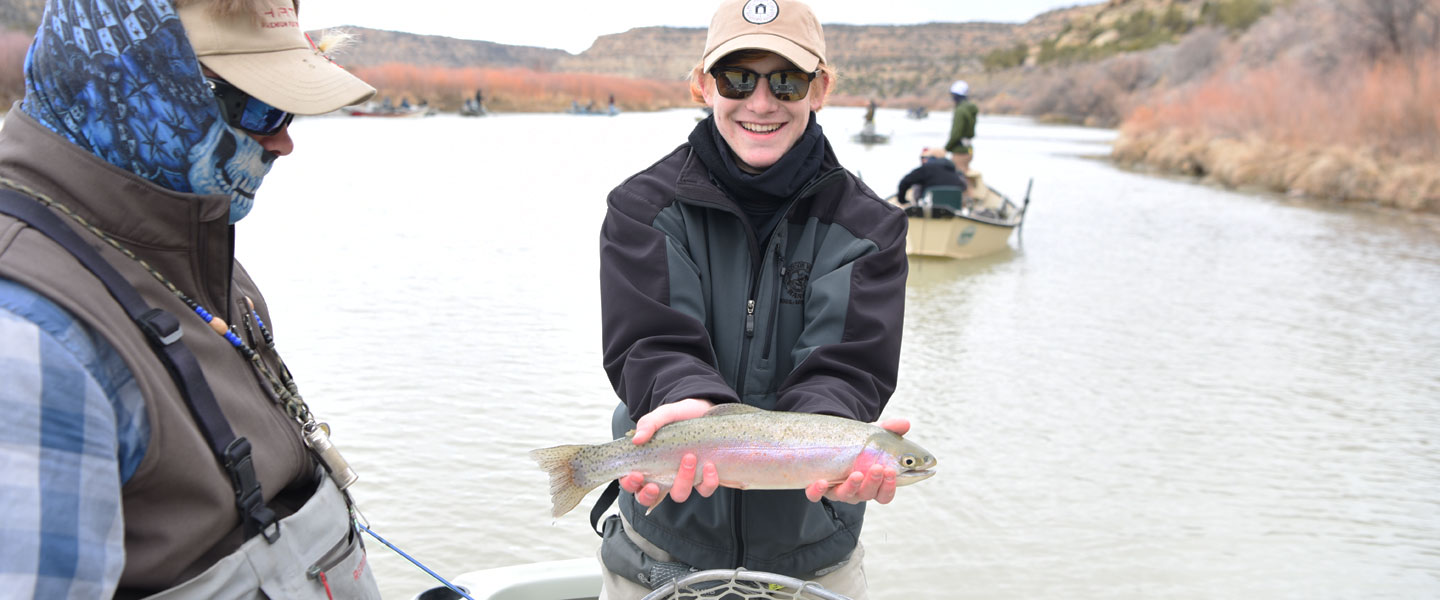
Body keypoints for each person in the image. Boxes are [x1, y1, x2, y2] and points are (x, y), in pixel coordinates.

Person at [0, 1, 380, 598]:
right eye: (259, 108)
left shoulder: (191, 244)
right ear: (128, 83)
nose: (282, 142)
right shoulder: (26, 341)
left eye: (289, 111)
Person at [596, 1, 911, 598]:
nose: (761, 102)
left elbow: (848, 367)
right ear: (701, 84)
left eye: (786, 80)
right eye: (737, 77)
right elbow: (650, 343)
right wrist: (686, 401)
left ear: (820, 88)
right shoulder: (640, 208)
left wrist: (832, 443)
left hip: (812, 557)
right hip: (660, 544)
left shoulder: (873, 227)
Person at [896, 147, 967, 204]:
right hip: (953, 208)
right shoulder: (954, 170)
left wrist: (902, 200)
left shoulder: (925, 169)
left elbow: (904, 182)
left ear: (931, 158)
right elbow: (963, 187)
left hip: (930, 209)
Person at [945, 79, 979, 173]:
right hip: (968, 150)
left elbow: (956, 133)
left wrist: (946, 148)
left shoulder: (960, 110)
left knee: (959, 179)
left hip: (960, 151)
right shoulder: (970, 109)